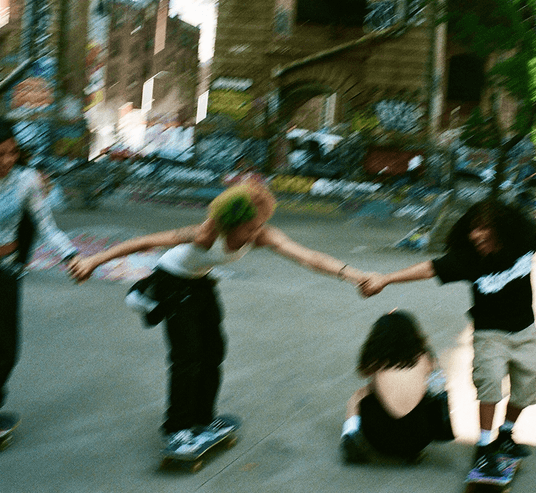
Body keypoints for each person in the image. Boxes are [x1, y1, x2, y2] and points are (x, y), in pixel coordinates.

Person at [68, 180, 367, 454]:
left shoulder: (262, 234)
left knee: (214, 351)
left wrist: (353, 275)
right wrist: (93, 260)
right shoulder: (204, 235)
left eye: (260, 225)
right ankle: (177, 429)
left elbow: (309, 258)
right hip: (172, 280)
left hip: (200, 281)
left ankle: (203, 418)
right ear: (229, 224)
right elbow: (145, 242)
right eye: (249, 227)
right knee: (187, 356)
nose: (256, 233)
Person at [360, 197, 536, 477]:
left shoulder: (524, 242)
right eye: (473, 230)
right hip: (490, 334)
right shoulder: (467, 258)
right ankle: (485, 447)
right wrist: (386, 279)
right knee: (489, 384)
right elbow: (429, 268)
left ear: (502, 228)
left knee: (527, 386)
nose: (476, 236)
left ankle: (506, 435)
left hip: (526, 332)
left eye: (483, 229)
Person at [0, 117, 82, 420]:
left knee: (6, 348)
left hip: (6, 270)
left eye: (11, 152)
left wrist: (70, 255)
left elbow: (47, 228)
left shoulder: (26, 182)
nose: (6, 161)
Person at [341, 310, 453, 464]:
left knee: (359, 395)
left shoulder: (376, 359)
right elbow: (437, 385)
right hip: (419, 438)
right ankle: (411, 449)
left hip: (379, 441)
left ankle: (350, 433)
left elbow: (363, 373)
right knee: (426, 394)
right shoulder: (425, 357)